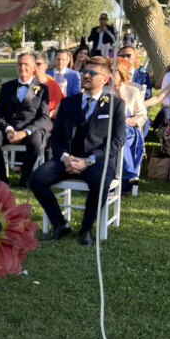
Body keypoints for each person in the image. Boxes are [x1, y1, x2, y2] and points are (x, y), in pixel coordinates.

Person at [29, 56, 126, 246]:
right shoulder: (68, 103)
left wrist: (87, 161)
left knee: (100, 184)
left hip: (97, 160)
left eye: (92, 73)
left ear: (105, 79)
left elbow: (117, 141)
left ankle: (86, 229)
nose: (86, 76)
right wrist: (65, 157)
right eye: (85, 72)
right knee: (36, 180)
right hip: (68, 158)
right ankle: (60, 223)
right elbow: (56, 137)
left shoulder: (116, 105)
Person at [0, 52, 50, 188]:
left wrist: (26, 132)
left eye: (26, 64)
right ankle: (3, 178)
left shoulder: (42, 89)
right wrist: (8, 129)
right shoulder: (7, 87)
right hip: (10, 127)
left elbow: (44, 117)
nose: (22, 67)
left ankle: (25, 180)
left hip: (31, 129)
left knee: (35, 142)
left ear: (34, 67)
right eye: (19, 64)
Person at [113, 63, 148, 187]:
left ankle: (127, 172)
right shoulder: (102, 91)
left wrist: (127, 121)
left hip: (129, 130)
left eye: (113, 72)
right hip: (106, 130)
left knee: (122, 130)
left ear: (121, 74)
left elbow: (142, 115)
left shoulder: (132, 91)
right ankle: (129, 173)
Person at [34, 52, 64, 119]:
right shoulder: (27, 83)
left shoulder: (52, 84)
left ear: (46, 66)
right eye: (33, 64)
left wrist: (53, 112)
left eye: (38, 64)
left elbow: (60, 103)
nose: (35, 67)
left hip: (49, 120)